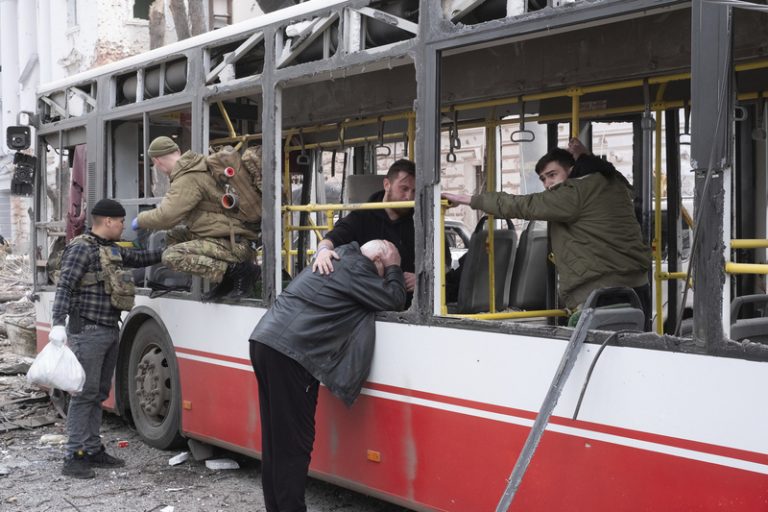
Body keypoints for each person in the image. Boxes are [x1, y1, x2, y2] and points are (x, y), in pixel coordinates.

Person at [249, 240, 406, 512]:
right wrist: (395, 269)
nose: (384, 275)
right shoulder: (358, 269)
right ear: (379, 261)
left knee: (276, 441)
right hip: (291, 354)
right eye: (387, 267)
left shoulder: (340, 259)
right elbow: (394, 299)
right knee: (295, 444)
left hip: (265, 341)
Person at [442, 138, 652, 327]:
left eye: (552, 175)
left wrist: (471, 200)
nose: (548, 184)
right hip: (637, 286)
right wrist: (586, 156)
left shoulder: (574, 193)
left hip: (602, 293)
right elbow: (613, 174)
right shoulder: (610, 183)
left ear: (572, 170)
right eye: (543, 179)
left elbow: (523, 205)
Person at [50, 198, 163, 479]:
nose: (124, 225)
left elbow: (138, 258)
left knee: (98, 393)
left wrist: (169, 253)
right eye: (122, 220)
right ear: (108, 221)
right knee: (83, 395)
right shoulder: (80, 248)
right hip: (87, 331)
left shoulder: (108, 248)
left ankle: (92, 448)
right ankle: (74, 457)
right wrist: (56, 325)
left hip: (108, 329)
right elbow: (65, 285)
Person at [133, 136, 258, 299]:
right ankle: (226, 278)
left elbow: (166, 217)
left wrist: (140, 220)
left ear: (156, 161)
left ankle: (238, 271)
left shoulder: (187, 177)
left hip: (232, 242)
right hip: (230, 236)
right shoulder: (198, 165)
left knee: (171, 256)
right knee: (174, 235)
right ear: (178, 151)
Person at [313, 159, 417, 293]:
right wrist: (323, 252)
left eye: (414, 191)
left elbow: (442, 263)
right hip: (369, 298)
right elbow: (331, 239)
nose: (409, 196)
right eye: (404, 189)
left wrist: (421, 280)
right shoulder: (362, 216)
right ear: (387, 184)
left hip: (413, 302)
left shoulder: (420, 220)